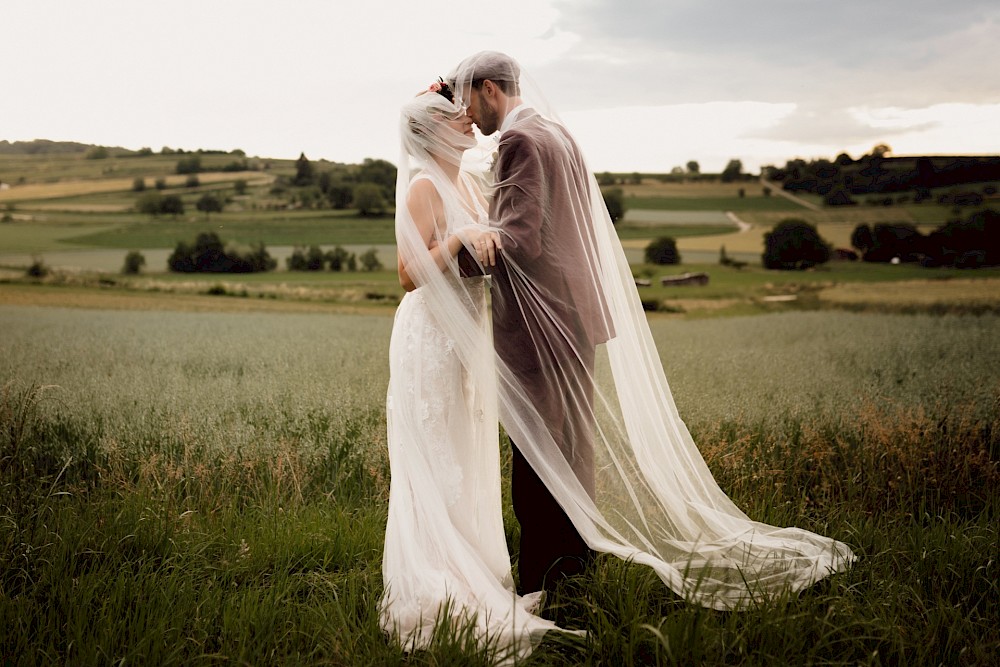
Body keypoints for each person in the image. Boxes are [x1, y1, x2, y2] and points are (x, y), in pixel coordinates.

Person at [447, 50, 855, 609]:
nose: (465, 111)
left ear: (490, 89)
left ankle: (543, 583)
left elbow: (519, 241)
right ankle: (574, 571)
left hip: (540, 319)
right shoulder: (557, 133)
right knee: (571, 450)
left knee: (537, 455)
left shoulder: (519, 143)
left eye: (467, 97)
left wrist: (451, 256)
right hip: (574, 313)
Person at [379, 80, 571, 663]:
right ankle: (440, 582)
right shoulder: (422, 188)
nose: (468, 121)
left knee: (465, 454)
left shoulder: (463, 180)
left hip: (465, 333)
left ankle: (479, 574)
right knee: (438, 456)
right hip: (431, 337)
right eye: (454, 118)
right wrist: (462, 235)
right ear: (432, 130)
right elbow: (408, 274)